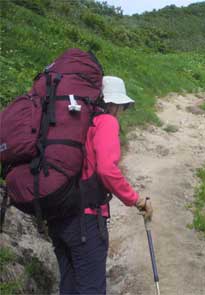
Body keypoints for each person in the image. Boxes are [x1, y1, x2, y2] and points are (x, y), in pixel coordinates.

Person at [47, 76, 153, 294]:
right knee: (91, 288)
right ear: (113, 104)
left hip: (58, 213)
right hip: (86, 220)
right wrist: (136, 199)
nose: (121, 111)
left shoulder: (75, 119)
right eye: (122, 106)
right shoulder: (106, 121)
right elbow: (106, 169)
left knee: (69, 285)